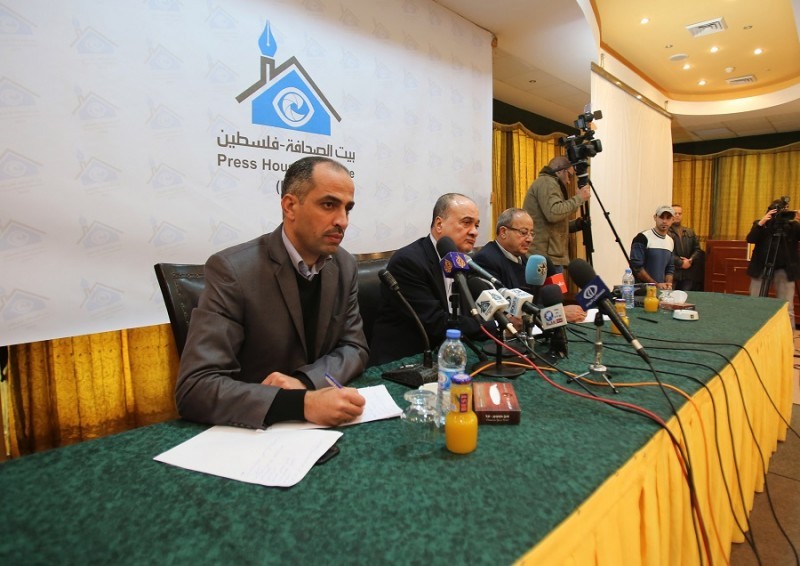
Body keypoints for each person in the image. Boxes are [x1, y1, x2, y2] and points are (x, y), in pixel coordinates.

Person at [175, 156, 368, 429]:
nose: (343, 221)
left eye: (347, 208)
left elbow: (354, 348)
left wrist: (305, 382)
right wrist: (301, 404)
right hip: (253, 431)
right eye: (329, 205)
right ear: (290, 206)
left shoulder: (344, 265)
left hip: (321, 424)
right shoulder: (233, 270)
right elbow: (195, 388)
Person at [369, 193, 493, 366]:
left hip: (449, 352)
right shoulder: (408, 262)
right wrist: (494, 326)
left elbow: (465, 314)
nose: (474, 232)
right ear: (439, 224)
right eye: (466, 222)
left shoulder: (461, 260)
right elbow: (436, 323)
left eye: (476, 225)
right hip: (404, 362)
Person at [472, 207, 586, 323]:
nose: (530, 239)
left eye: (532, 233)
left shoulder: (527, 260)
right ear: (503, 232)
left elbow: (536, 303)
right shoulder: (485, 260)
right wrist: (558, 315)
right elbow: (506, 315)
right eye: (523, 233)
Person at [522, 155, 591, 271]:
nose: (569, 181)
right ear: (560, 171)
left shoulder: (547, 183)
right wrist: (579, 198)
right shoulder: (547, 182)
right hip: (544, 258)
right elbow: (553, 214)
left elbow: (550, 225)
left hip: (547, 256)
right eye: (569, 176)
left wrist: (577, 224)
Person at [746, 198, 800, 324]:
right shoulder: (762, 224)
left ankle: (787, 336)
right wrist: (761, 223)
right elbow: (750, 239)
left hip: (785, 269)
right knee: (755, 305)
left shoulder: (793, 226)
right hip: (761, 268)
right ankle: (754, 333)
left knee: (787, 308)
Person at [630, 205, 675, 290]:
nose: (664, 221)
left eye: (668, 218)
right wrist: (655, 285)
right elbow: (637, 267)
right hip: (641, 291)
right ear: (655, 217)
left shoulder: (670, 241)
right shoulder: (642, 238)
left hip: (661, 291)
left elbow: (670, 268)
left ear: (673, 220)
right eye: (661, 217)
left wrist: (668, 284)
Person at [668, 204, 703, 292]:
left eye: (679, 213)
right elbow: (667, 252)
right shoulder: (666, 232)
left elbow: (697, 249)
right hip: (672, 272)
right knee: (670, 296)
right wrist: (680, 263)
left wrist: (691, 260)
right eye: (675, 213)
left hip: (688, 273)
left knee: (685, 296)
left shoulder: (689, 232)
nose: (677, 215)